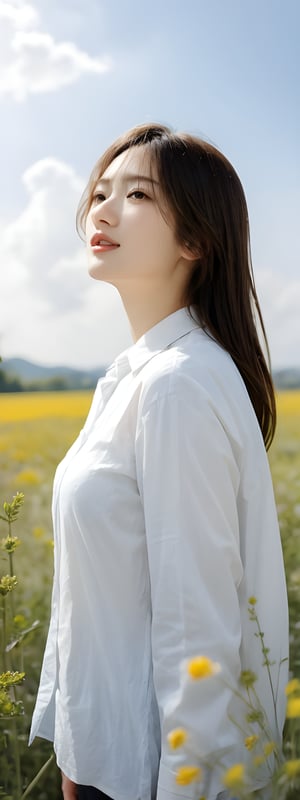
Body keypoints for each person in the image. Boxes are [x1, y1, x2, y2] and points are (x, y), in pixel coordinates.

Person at [29, 123, 289, 800]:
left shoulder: (177, 385)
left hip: (150, 775)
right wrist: (76, 752)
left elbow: (197, 632)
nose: (102, 210)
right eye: (100, 192)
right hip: (107, 756)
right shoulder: (136, 374)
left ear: (196, 240)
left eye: (137, 194)